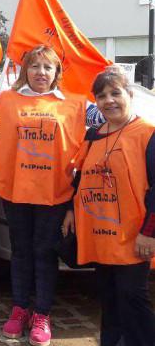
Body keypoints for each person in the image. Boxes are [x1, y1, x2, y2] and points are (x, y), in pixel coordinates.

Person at [0, 45, 104, 346]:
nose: (41, 72)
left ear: (57, 73)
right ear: (26, 69)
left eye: (47, 67)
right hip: (16, 192)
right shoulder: (6, 101)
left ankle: (42, 314)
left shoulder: (78, 105)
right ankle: (19, 308)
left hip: (55, 194)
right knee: (21, 252)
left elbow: (112, 119)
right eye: (35, 66)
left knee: (45, 254)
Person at [62, 67, 155, 346]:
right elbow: (79, 177)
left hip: (133, 236)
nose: (109, 100)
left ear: (129, 94)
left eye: (116, 93)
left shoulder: (148, 134)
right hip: (100, 235)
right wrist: (70, 209)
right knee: (109, 299)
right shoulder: (94, 134)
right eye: (101, 96)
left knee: (133, 300)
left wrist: (149, 232)